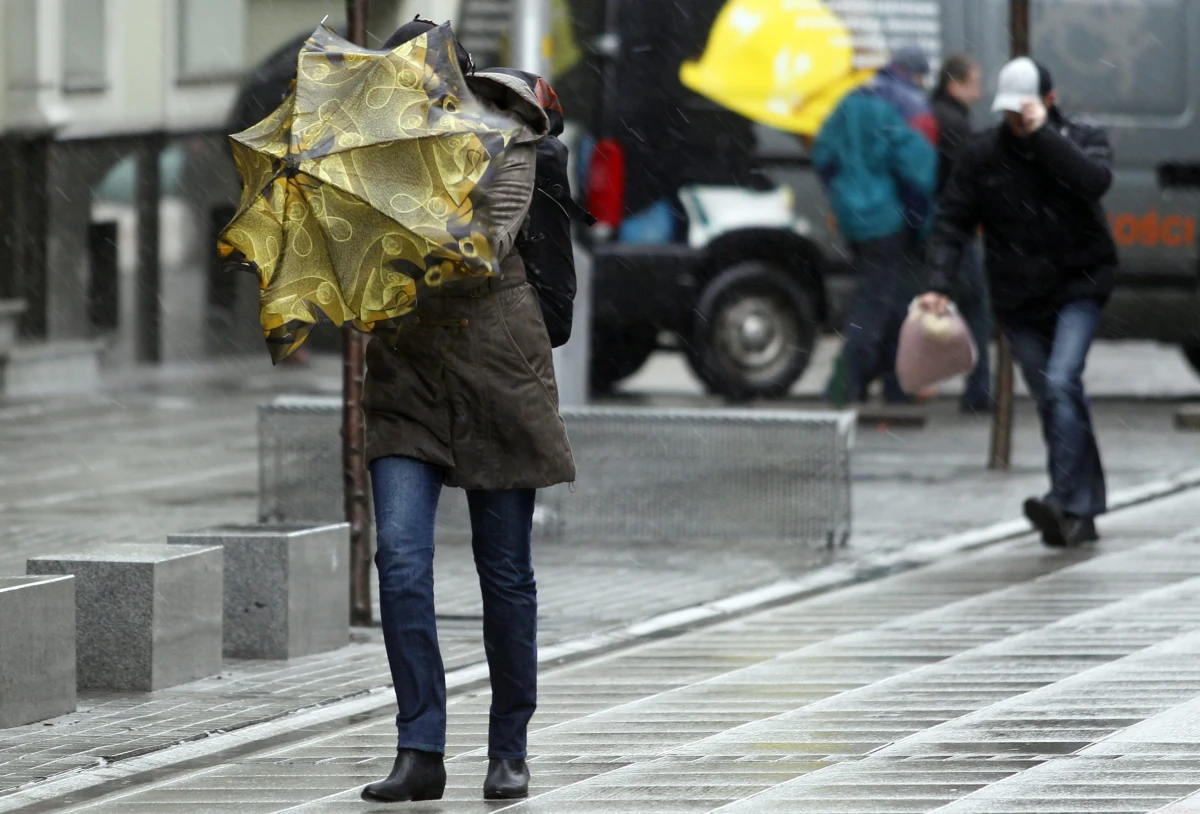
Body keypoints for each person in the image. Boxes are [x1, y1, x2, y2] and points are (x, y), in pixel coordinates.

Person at [359, 18, 575, 803]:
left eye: (423, 82)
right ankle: (419, 748)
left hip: (496, 370)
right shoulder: (367, 156)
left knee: (504, 570)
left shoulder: (512, 145)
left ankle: (508, 747)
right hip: (407, 375)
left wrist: (395, 222)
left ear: (453, 85)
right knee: (400, 560)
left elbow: (490, 244)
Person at [920, 57, 1115, 547]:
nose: (1016, 121)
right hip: (1019, 295)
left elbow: (1094, 181)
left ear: (1048, 102)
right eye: (1009, 112)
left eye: (1024, 110)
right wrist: (939, 283)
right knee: (1055, 397)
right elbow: (952, 221)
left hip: (1079, 282)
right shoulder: (983, 154)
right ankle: (1083, 508)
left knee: (1062, 382)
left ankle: (1064, 500)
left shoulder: (1080, 138)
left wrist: (1045, 137)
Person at [815, 46, 939, 406]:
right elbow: (917, 173)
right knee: (875, 305)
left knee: (889, 301)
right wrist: (919, 223)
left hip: (854, 220)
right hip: (887, 219)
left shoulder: (850, 99)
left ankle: (896, 385)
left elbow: (824, 157)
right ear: (917, 74)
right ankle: (845, 386)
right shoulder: (907, 105)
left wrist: (844, 195)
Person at [930, 53, 993, 414]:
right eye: (975, 82)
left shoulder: (935, 114)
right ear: (955, 84)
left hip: (934, 223)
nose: (980, 91)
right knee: (975, 307)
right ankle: (978, 390)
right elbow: (965, 181)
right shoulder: (955, 123)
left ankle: (896, 384)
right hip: (956, 228)